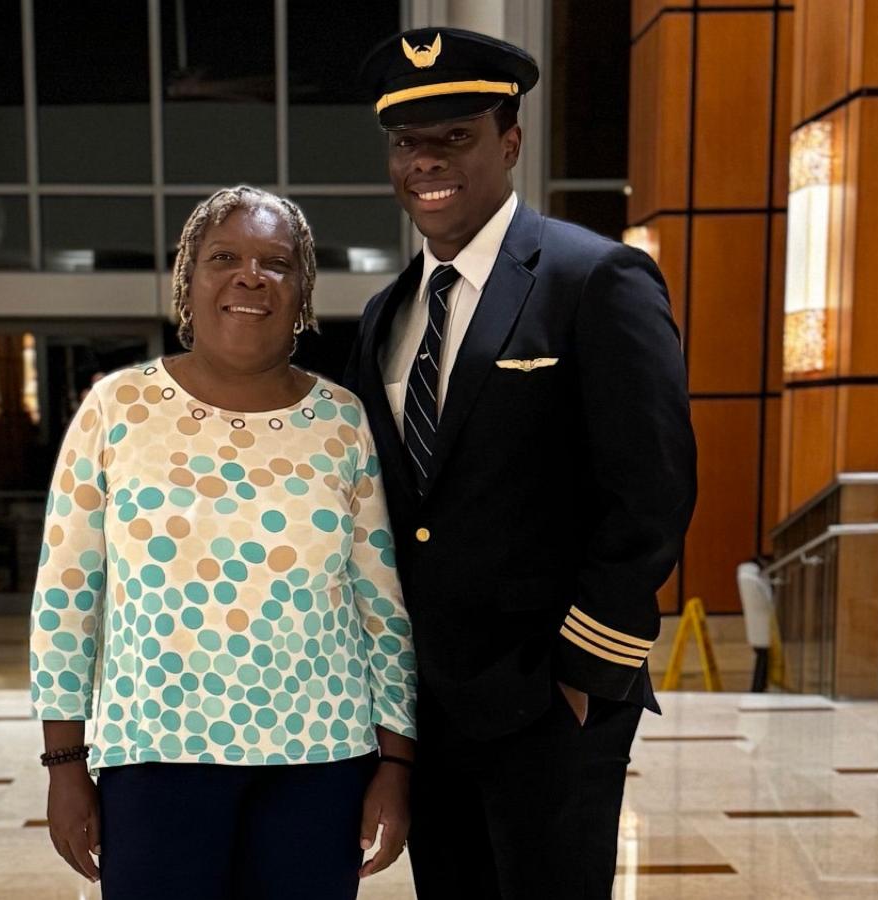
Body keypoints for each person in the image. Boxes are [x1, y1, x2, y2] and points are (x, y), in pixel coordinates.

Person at [345, 28, 698, 899]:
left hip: (551, 699)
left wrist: (584, 671)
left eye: (453, 137)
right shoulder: (387, 313)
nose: (425, 161)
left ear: (509, 141)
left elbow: (652, 488)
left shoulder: (594, 278)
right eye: (406, 143)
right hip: (429, 703)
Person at [30, 186, 417, 900]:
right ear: (188, 279)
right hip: (153, 759)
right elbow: (65, 594)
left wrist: (395, 765)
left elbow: (380, 607)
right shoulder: (118, 409)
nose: (251, 276)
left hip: (320, 762)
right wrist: (63, 764)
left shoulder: (341, 421)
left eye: (277, 262)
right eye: (224, 258)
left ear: (301, 292)